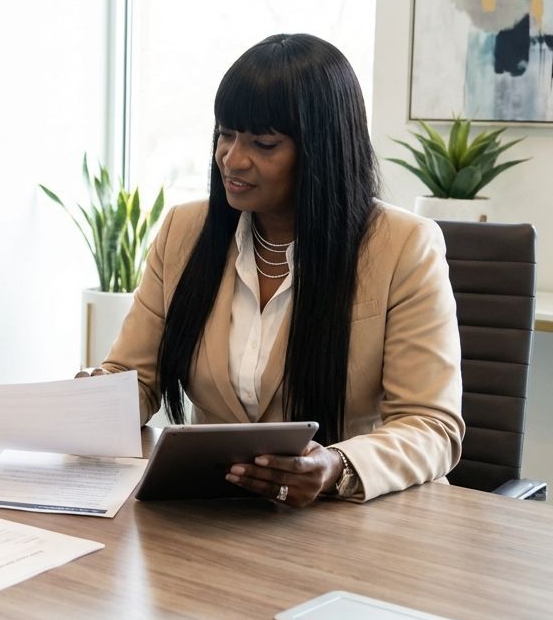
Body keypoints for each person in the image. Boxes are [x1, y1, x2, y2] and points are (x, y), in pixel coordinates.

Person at [87, 33, 464, 506]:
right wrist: (90, 398)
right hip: (211, 511)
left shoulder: (404, 246)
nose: (232, 158)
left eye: (263, 143)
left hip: (354, 521)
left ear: (323, 149)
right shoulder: (185, 231)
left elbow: (431, 425)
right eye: (225, 134)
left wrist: (335, 467)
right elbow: (135, 378)